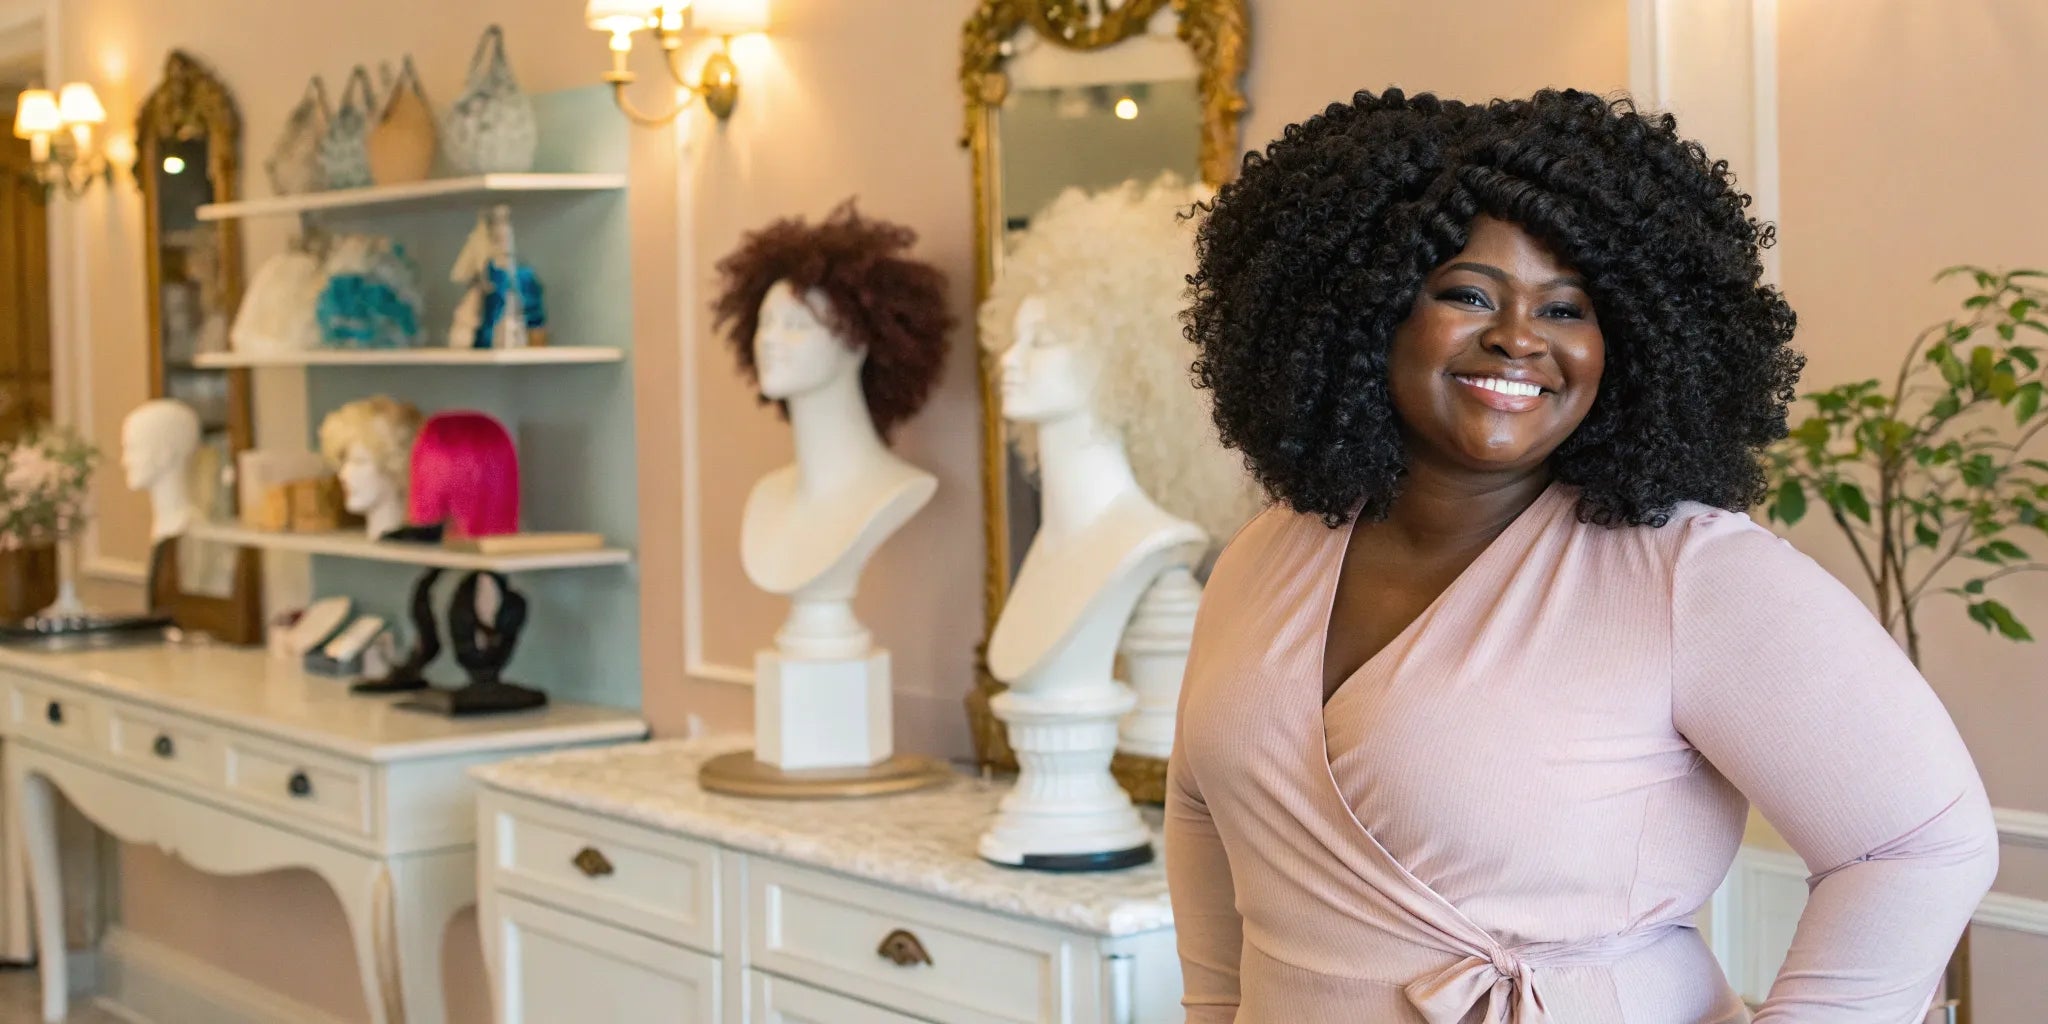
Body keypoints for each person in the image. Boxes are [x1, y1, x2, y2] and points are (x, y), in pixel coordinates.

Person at [1167, 87, 1998, 1024]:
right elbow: (1204, 809)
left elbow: (1920, 845)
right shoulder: (1268, 550)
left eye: (1568, 309)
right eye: (1469, 293)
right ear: (1363, 308)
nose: (1520, 337)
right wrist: (1213, 1008)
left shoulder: (1690, 571)